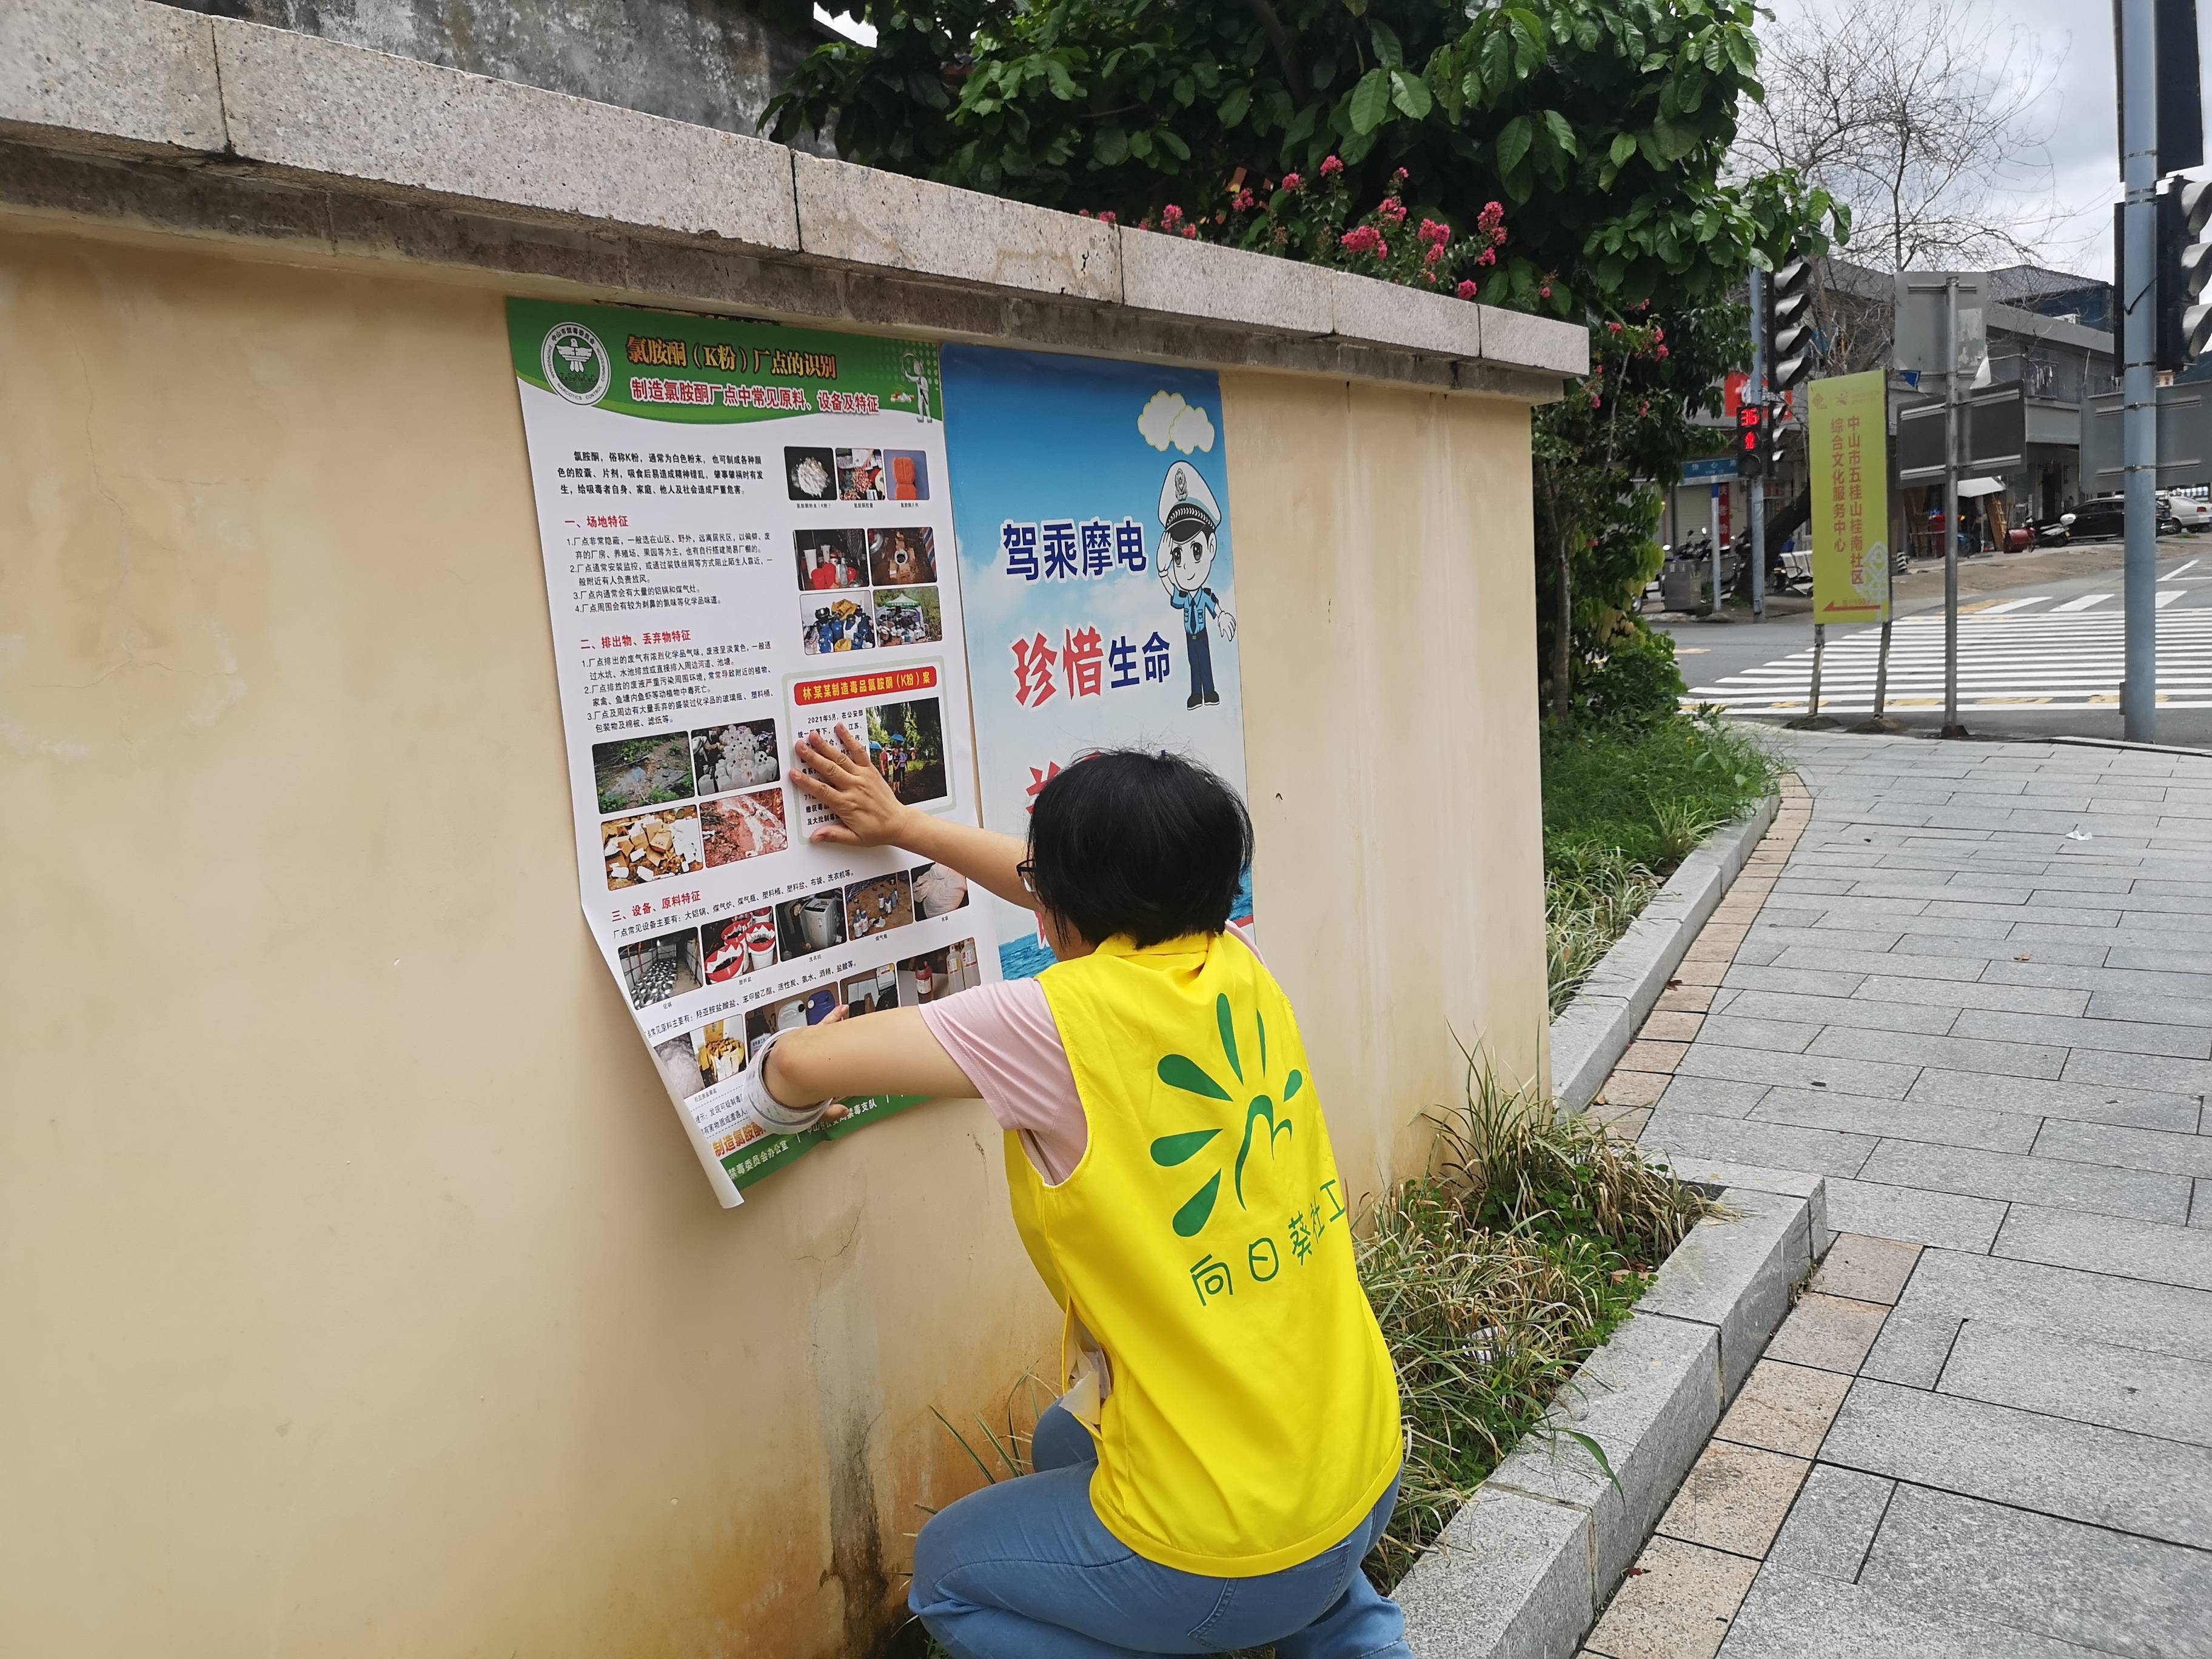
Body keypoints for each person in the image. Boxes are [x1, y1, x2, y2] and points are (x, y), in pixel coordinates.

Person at [752, 729, 1409, 1659]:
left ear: (1061, 908)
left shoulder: (1055, 1025)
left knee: (949, 1576)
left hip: (1229, 1547)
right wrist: (904, 825)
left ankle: (1250, 1605)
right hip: (1362, 1464)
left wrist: (768, 1099)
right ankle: (1353, 1634)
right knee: (1073, 1442)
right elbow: (1055, 887)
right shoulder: (1234, 964)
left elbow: (801, 1062)